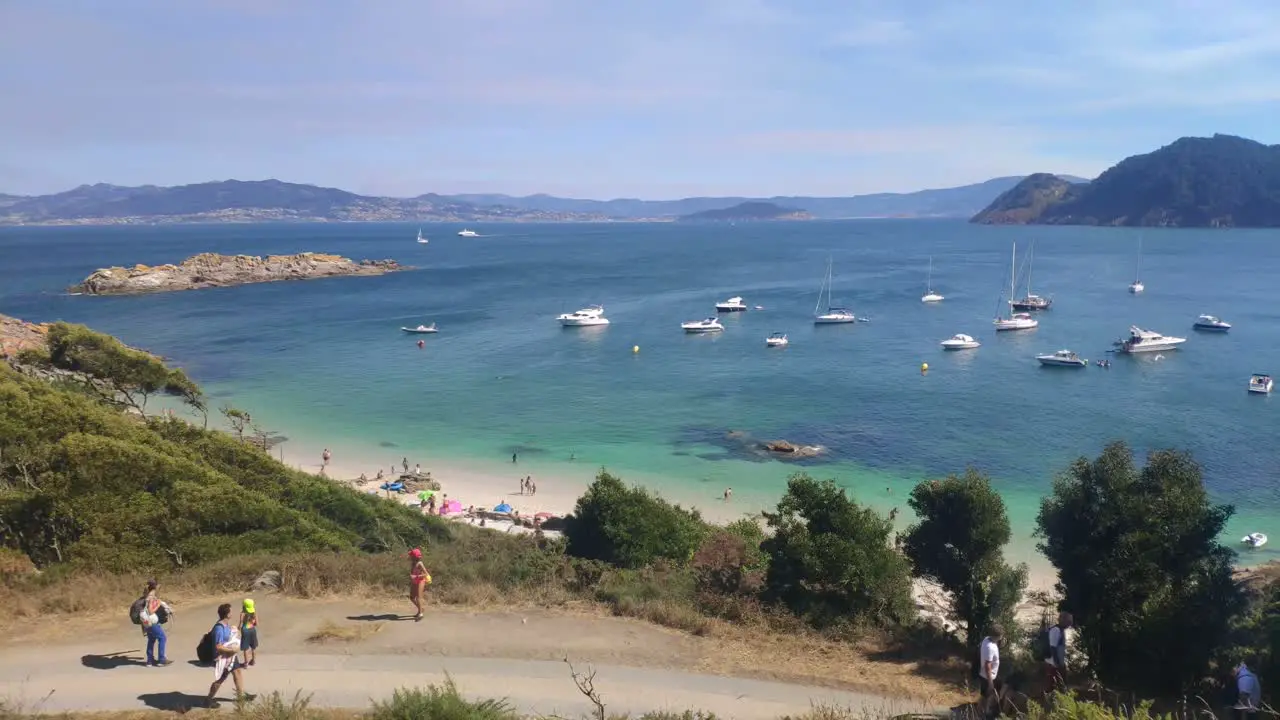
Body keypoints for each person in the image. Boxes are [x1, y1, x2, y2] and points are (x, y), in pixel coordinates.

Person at [206, 603, 246, 707]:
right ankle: (208, 700)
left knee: (237, 672)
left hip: (230, 655)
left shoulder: (225, 625)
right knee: (221, 679)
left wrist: (240, 622)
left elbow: (231, 635)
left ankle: (241, 696)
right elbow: (218, 647)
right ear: (227, 614)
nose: (232, 613)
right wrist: (232, 650)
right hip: (223, 658)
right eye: (231, 612)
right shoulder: (219, 628)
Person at [140, 579, 173, 667]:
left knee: (151, 640)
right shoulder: (151, 597)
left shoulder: (147, 595)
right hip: (152, 621)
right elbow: (150, 611)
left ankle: (150, 661)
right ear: (155, 587)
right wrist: (158, 604)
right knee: (162, 638)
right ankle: (161, 660)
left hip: (147, 622)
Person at [978, 625, 1004, 719]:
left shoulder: (986, 640)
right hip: (988, 676)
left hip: (987, 675)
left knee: (984, 695)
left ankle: (982, 711)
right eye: (1001, 635)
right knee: (987, 696)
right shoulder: (990, 647)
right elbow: (987, 665)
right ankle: (984, 714)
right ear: (998, 636)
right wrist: (990, 683)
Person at [1043, 611, 1073, 691]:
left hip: (1057, 663)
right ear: (1062, 620)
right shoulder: (1055, 630)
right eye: (1069, 621)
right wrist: (1057, 664)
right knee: (1053, 687)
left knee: (1061, 686)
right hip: (1053, 664)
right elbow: (1053, 647)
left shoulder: (1061, 631)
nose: (1070, 623)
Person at [408, 548, 430, 621]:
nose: (410, 556)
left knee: (418, 597)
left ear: (414, 556)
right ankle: (421, 609)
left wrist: (416, 576)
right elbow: (412, 573)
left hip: (420, 581)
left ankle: (420, 614)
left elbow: (426, 574)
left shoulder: (420, 563)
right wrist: (411, 576)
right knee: (411, 597)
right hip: (414, 581)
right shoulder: (412, 563)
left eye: (411, 555)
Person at [239, 599, 259, 667]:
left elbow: (241, 623)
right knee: (253, 647)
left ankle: (246, 663)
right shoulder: (254, 613)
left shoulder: (242, 614)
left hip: (245, 631)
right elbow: (257, 623)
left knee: (245, 648)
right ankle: (253, 661)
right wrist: (252, 623)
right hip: (252, 630)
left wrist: (238, 628)